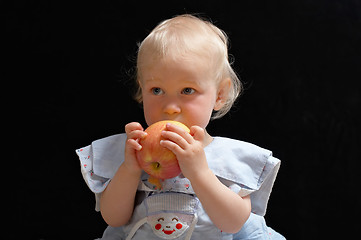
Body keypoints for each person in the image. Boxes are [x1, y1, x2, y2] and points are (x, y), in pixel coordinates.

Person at [76, 14, 285, 240]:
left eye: (187, 90)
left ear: (220, 95)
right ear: (142, 89)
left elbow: (233, 224)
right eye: (156, 90)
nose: (170, 108)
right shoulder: (131, 151)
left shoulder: (229, 159)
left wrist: (199, 172)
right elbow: (114, 219)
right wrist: (130, 169)